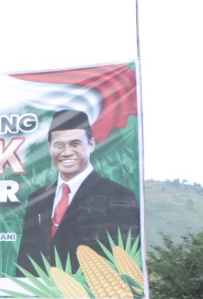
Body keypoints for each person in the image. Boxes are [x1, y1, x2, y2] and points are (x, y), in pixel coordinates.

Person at [15, 109, 140, 274]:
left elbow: (127, 260)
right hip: (43, 295)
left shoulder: (117, 196)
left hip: (93, 295)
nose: (66, 152)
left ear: (91, 144)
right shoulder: (37, 198)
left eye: (75, 144)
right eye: (59, 145)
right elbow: (26, 261)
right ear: (49, 147)